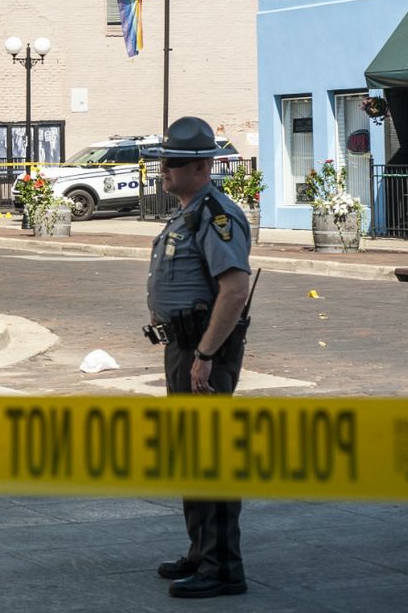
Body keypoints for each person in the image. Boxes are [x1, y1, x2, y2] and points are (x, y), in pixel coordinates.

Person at [142, 116, 253, 599]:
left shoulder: (217, 216)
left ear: (202, 167)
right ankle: (201, 552)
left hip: (205, 350)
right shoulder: (187, 212)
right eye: (165, 161)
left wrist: (206, 354)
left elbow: (233, 291)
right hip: (183, 347)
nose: (164, 170)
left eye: (175, 163)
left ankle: (223, 567)